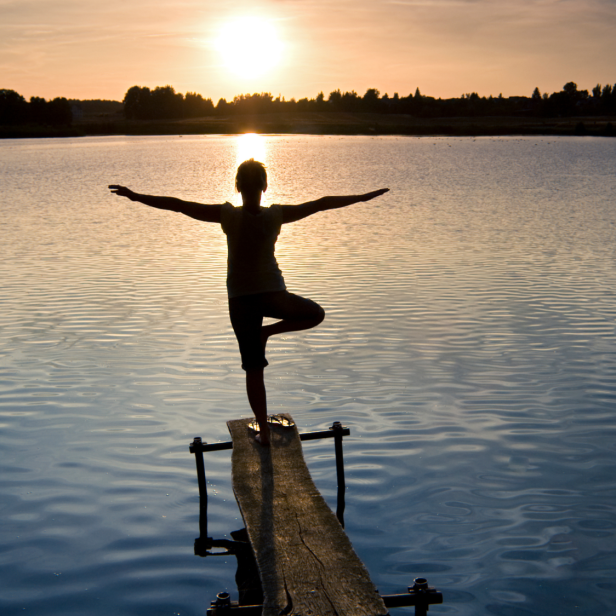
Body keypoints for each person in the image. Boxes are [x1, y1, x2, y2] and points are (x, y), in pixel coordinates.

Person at [109, 159, 388, 446]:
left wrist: (135, 196)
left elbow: (178, 204)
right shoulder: (275, 215)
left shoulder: (227, 215)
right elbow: (320, 203)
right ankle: (267, 334)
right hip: (273, 296)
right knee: (315, 314)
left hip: (241, 301)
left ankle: (264, 434)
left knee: (254, 368)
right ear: (265, 187)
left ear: (237, 186)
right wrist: (361, 198)